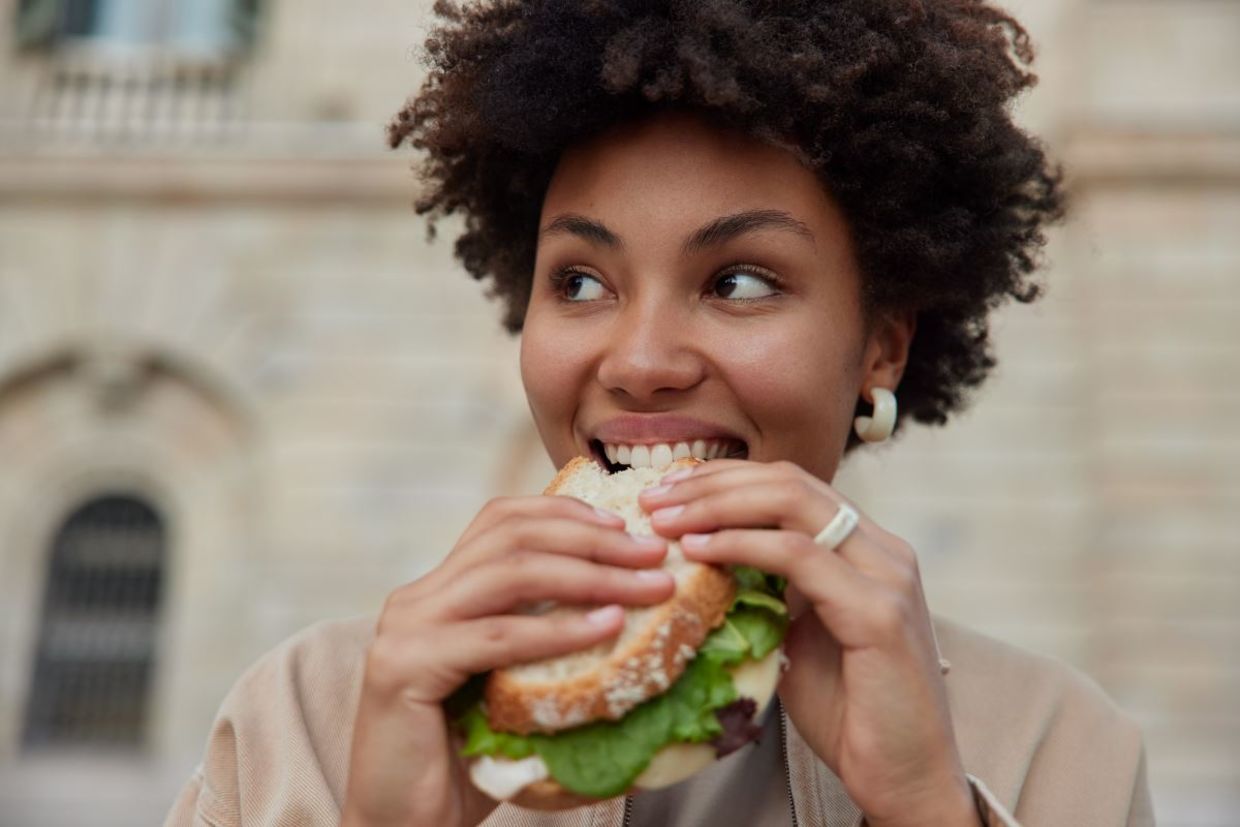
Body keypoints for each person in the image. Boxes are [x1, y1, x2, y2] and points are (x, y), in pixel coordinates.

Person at [165, 1, 1155, 825]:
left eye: (737, 280)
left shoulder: (1060, 744)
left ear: (882, 345)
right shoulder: (300, 719)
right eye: (582, 283)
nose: (637, 363)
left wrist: (926, 809)